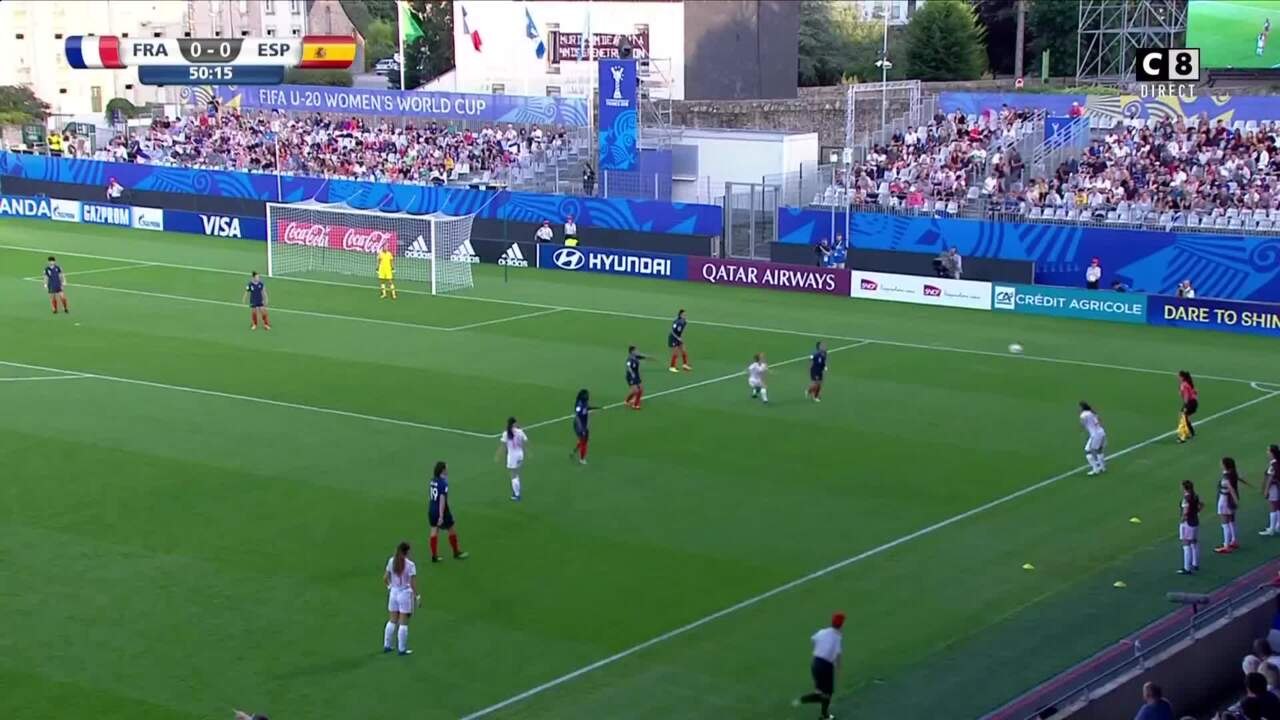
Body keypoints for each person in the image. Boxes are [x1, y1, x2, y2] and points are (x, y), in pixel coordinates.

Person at [792, 612, 844, 720]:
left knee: (821, 692)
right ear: (841, 625)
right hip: (826, 666)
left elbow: (813, 639)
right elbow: (838, 654)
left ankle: (802, 700)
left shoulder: (822, 632)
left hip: (815, 663)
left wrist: (820, 648)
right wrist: (838, 668)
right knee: (827, 693)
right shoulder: (837, 637)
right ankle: (824, 715)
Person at [382, 541, 419, 656]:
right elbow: (412, 584)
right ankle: (402, 649)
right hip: (404, 594)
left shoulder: (391, 561)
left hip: (393, 593)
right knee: (403, 623)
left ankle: (387, 645)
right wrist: (417, 596)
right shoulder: (410, 565)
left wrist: (390, 587)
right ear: (406, 552)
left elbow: (385, 578)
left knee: (392, 620)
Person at [428, 461, 468, 562]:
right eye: (446, 468)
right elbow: (442, 499)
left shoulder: (433, 481)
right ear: (442, 470)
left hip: (431, 508)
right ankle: (456, 552)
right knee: (451, 529)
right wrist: (441, 516)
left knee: (434, 530)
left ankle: (434, 556)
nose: (447, 470)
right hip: (441, 510)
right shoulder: (443, 483)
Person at [1216, 457, 1246, 554]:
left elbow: (1231, 489)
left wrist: (1236, 501)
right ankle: (1233, 540)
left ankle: (1226, 545)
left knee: (1225, 523)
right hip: (1230, 500)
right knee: (1231, 521)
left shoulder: (1227, 476)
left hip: (1225, 500)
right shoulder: (1232, 474)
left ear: (1225, 465)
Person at [496, 417, 528, 501]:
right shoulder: (520, 431)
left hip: (512, 456)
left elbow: (503, 446)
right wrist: (526, 451)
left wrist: (498, 455)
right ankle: (516, 491)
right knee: (517, 473)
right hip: (520, 454)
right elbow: (525, 441)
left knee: (513, 475)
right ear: (514, 423)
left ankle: (517, 495)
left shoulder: (506, 433)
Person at [1179, 479, 1203, 575]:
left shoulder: (1186, 498)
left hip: (1187, 523)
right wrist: (1195, 512)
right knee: (1194, 542)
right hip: (1195, 521)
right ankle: (1195, 563)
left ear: (1184, 488)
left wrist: (1182, 520)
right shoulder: (1195, 496)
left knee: (1186, 544)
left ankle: (1187, 568)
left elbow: (1185, 512)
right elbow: (1201, 505)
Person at [571, 389, 600, 465]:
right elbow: (578, 417)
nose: (588, 396)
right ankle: (582, 459)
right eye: (587, 395)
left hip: (583, 425)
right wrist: (582, 429)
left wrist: (594, 408)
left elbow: (587, 408)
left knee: (582, 440)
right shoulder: (579, 405)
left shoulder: (584, 402)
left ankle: (574, 452)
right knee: (584, 442)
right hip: (579, 425)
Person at [1079, 401, 1107, 476]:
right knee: (1099, 450)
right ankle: (1103, 467)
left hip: (1095, 435)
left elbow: (1082, 423)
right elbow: (1099, 420)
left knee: (1087, 451)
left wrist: (1082, 429)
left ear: (1082, 407)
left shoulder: (1083, 414)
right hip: (1101, 432)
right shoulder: (1092, 412)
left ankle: (1095, 469)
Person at [1261, 445, 1280, 536]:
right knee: (1278, 507)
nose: (1267, 452)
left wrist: (1266, 490)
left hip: (1274, 488)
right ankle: (1277, 526)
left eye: (1268, 451)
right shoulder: (1277, 462)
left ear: (1272, 453)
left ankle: (1272, 529)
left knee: (1273, 507)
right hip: (1277, 487)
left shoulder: (1273, 465)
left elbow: (1270, 478)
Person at [1177, 370, 1199, 443]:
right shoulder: (1187, 383)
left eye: (1179, 376)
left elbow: (1186, 396)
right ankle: (1190, 432)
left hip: (1190, 403)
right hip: (1193, 403)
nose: (1177, 377)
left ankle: (1183, 437)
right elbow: (1195, 392)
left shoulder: (1184, 385)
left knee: (1182, 416)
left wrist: (1185, 405)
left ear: (1182, 377)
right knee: (1185, 417)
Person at [668, 309, 690, 373]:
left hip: (678, 338)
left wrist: (680, 337)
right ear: (680, 315)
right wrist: (678, 338)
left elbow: (681, 331)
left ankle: (685, 365)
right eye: (684, 315)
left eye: (685, 315)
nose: (685, 316)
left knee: (683, 350)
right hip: (673, 338)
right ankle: (672, 367)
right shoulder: (677, 322)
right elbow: (672, 331)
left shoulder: (684, 322)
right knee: (676, 352)